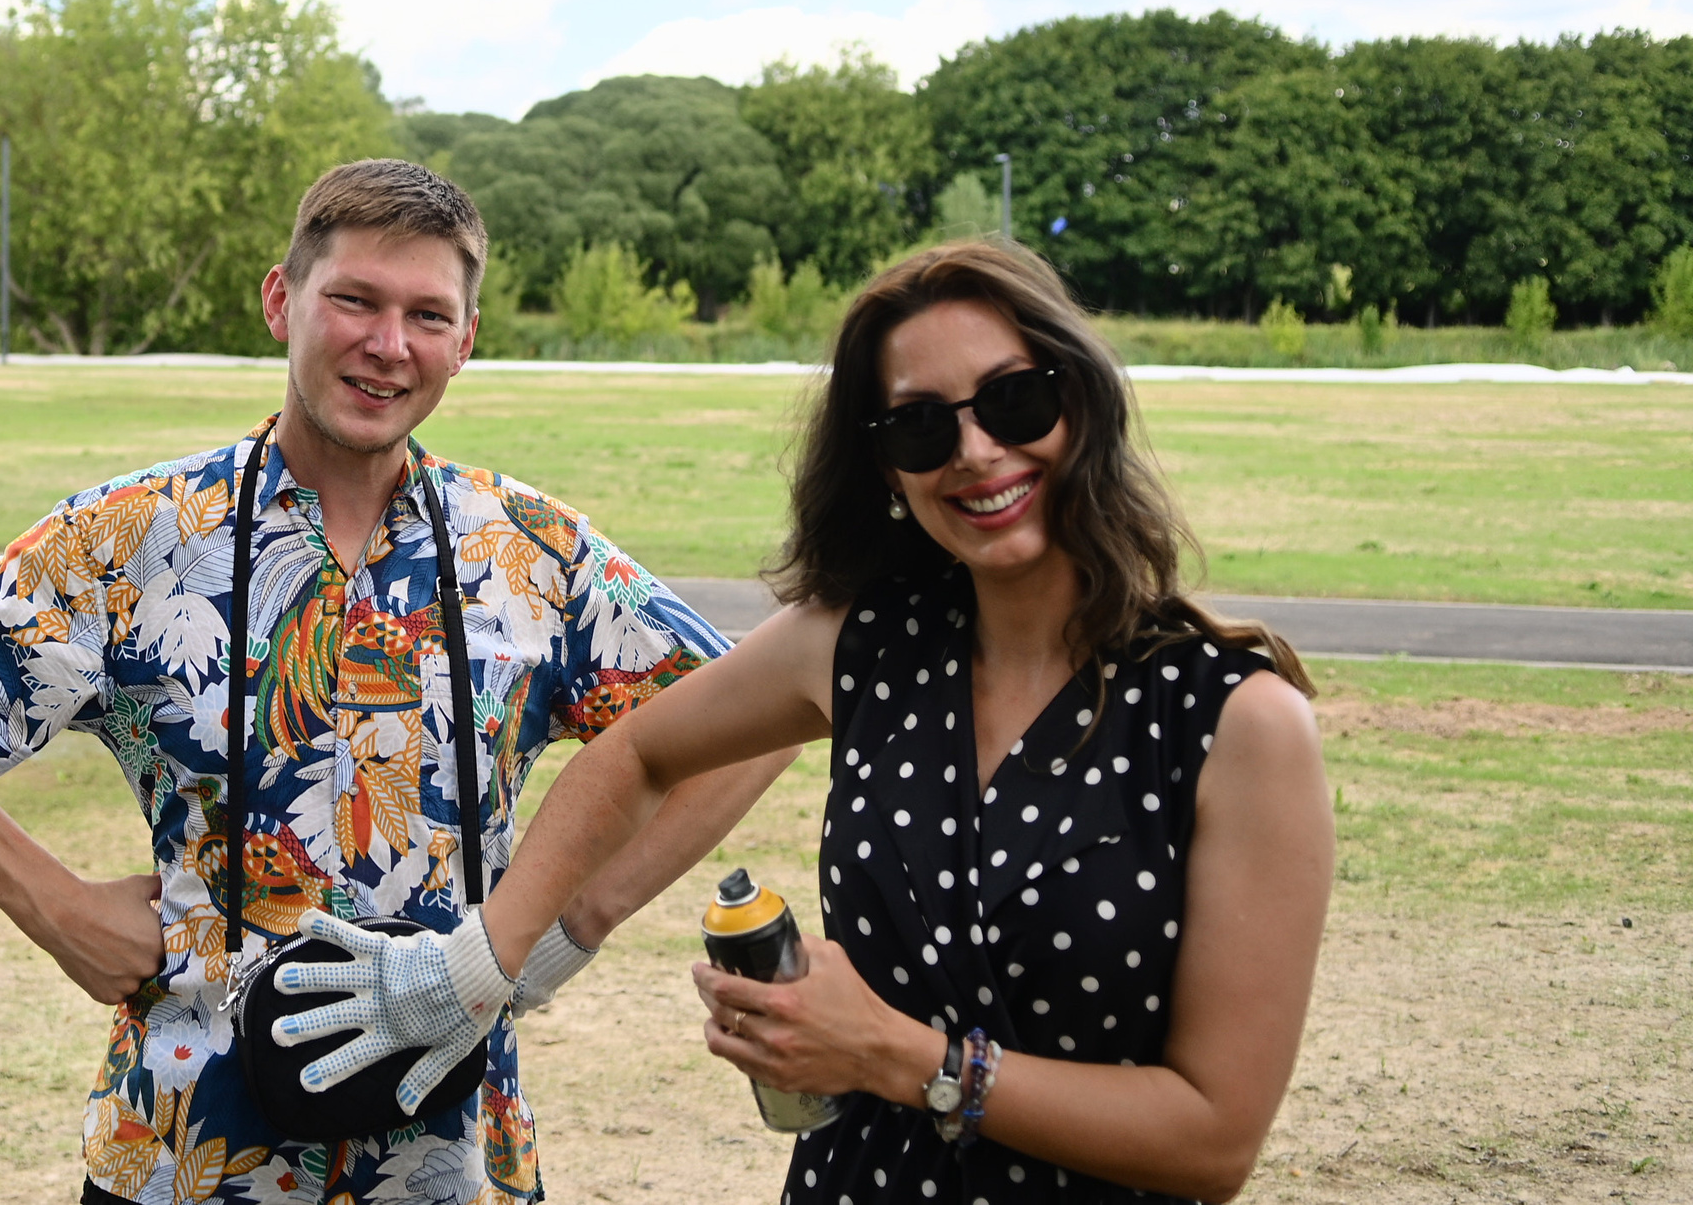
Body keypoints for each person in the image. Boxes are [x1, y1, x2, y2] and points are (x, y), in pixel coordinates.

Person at [0, 158, 796, 1205]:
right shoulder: (134, 538)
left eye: (428, 315)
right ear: (281, 300)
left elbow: (766, 713)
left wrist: (569, 925)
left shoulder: (530, 553)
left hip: (453, 1162)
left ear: (466, 340)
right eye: (355, 300)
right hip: (184, 1154)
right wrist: (54, 906)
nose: (389, 344)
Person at [459, 239, 1334, 1204]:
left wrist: (896, 1054)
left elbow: (1215, 1140)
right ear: (886, 467)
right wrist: (505, 954)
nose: (975, 451)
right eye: (921, 426)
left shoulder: (1236, 719)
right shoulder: (860, 643)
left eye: (1013, 399)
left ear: (1080, 400)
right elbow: (639, 751)